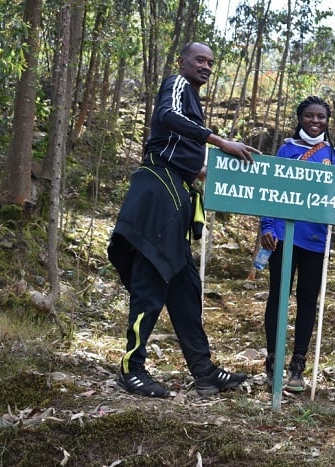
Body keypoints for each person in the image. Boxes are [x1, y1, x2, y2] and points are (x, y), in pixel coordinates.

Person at [108, 42, 260, 398]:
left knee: (186, 289)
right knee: (149, 284)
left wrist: (204, 169)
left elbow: (180, 148)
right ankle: (132, 369)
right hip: (156, 196)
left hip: (176, 197)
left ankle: (204, 372)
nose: (206, 66)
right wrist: (220, 141)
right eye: (200, 60)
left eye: (210, 62)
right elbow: (165, 117)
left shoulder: (194, 99)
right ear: (183, 61)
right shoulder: (177, 84)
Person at [260, 96, 335, 392]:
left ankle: (298, 365)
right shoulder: (286, 150)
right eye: (309, 116)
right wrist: (267, 226)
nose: (315, 121)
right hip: (283, 234)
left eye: (321, 117)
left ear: (327, 120)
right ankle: (273, 360)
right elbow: (270, 190)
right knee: (278, 297)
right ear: (300, 118)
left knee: (308, 299)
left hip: (317, 239)